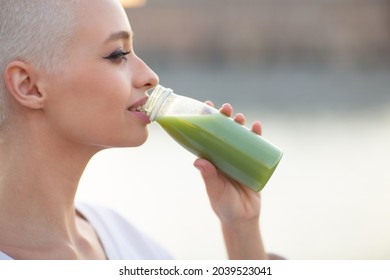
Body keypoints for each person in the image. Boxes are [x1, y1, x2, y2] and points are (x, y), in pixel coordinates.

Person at [0, 0, 280, 260]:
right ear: (28, 85)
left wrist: (241, 228)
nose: (150, 76)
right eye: (117, 54)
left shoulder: (124, 239)